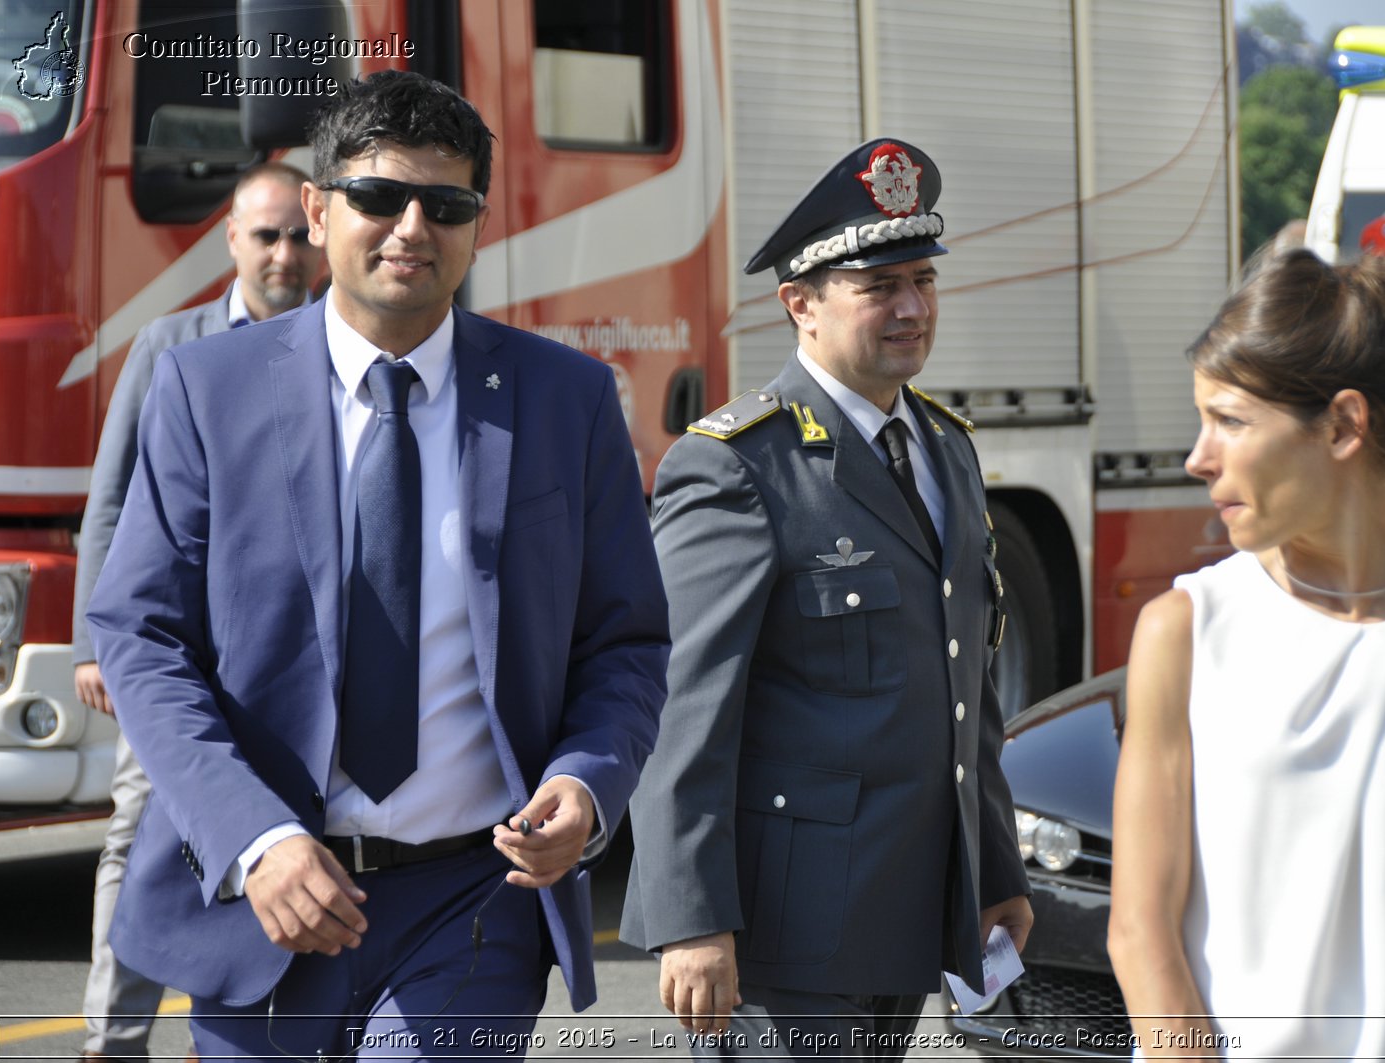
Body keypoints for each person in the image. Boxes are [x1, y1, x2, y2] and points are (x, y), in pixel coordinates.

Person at [85, 70, 669, 1061]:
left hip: (472, 903)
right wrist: (253, 839)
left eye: (446, 205)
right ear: (317, 210)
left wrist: (587, 779)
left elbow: (625, 638)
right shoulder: (205, 388)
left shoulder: (566, 401)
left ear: (477, 227)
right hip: (265, 901)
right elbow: (140, 631)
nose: (412, 227)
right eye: (378, 197)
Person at [620, 138, 1033, 1060]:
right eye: (879, 287)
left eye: (923, 280)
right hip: (785, 932)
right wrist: (691, 917)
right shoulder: (735, 465)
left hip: (906, 909)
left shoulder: (945, 448)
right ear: (799, 305)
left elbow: (970, 687)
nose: (913, 308)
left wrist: (994, 867)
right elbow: (684, 708)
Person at [1107, 249, 1385, 1058]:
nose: (1197, 457)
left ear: (1345, 424)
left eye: (1231, 420)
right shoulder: (1185, 629)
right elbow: (1141, 931)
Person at [73, 159, 322, 1063]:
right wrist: (92, 643)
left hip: (278, 663)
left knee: (276, 837)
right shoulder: (166, 346)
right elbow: (111, 501)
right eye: (267, 236)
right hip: (172, 652)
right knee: (141, 832)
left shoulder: (341, 347)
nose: (285, 254)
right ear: (231, 242)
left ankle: (231, 1028)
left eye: (299, 234)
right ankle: (114, 1038)